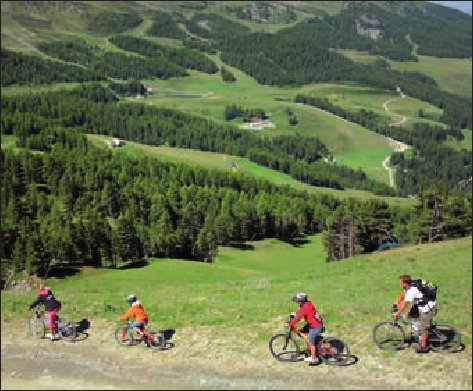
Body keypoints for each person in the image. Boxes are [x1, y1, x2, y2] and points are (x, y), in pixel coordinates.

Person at [392, 275, 437, 353]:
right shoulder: (409, 286)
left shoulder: (412, 290)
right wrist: (397, 301)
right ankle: (419, 333)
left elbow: (405, 304)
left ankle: (423, 346)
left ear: (405, 283)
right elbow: (404, 295)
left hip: (428, 307)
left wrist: (398, 312)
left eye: (401, 282)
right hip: (421, 304)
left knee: (423, 327)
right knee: (411, 315)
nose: (400, 284)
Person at [287, 292, 324, 365]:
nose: (296, 302)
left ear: (301, 301)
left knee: (311, 342)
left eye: (297, 301)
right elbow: (300, 312)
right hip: (313, 323)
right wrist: (295, 313)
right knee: (302, 331)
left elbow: (298, 318)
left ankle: (313, 359)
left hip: (315, 326)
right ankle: (310, 348)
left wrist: (290, 323)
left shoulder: (306, 307)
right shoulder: (307, 304)